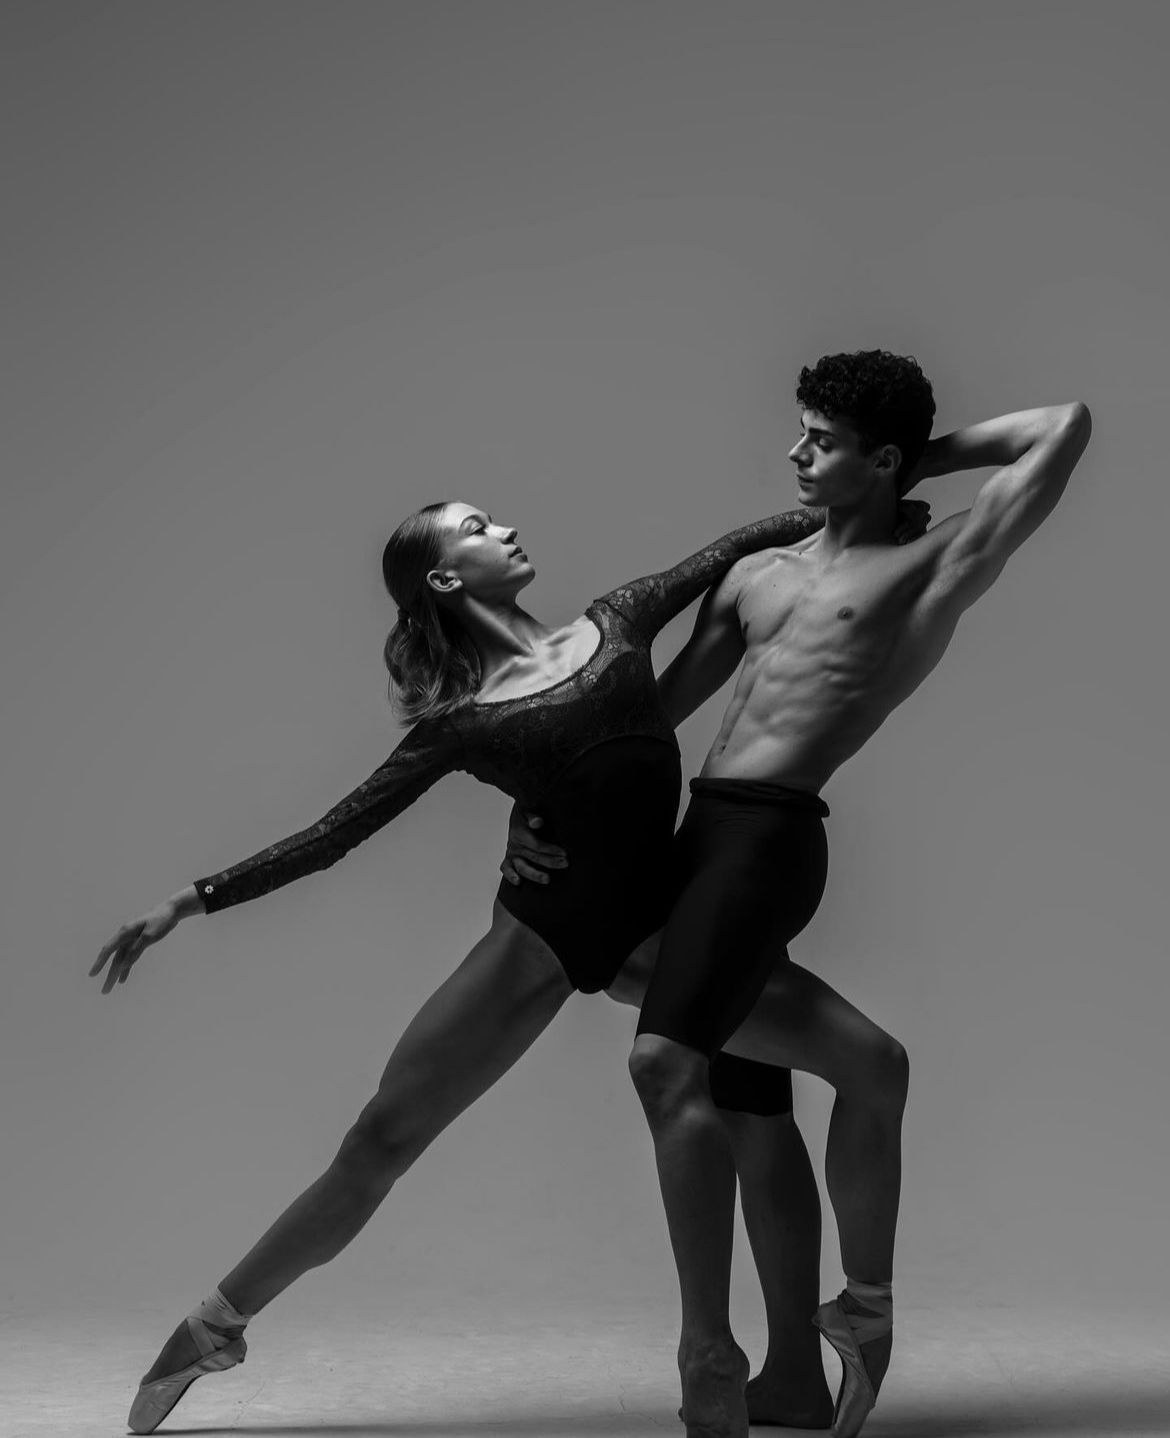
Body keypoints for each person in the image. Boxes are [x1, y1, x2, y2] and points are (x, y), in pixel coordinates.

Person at [91, 489, 929, 1434]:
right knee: (378, 1144)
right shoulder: (463, 723)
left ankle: (828, 1327)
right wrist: (188, 900)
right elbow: (331, 836)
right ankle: (217, 1325)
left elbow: (752, 537)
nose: (507, 529)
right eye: (480, 529)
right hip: (537, 939)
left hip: (660, 943)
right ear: (447, 579)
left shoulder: (616, 624)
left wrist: (889, 502)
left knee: (870, 1060)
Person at [510, 351, 1090, 1438]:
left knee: (665, 1058)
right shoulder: (757, 574)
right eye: (801, 431)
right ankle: (789, 1375)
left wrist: (913, 456)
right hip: (692, 837)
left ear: (880, 458)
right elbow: (650, 720)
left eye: (821, 439)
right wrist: (543, 807)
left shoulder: (929, 567)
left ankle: (848, 1311)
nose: (794, 452)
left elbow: (1062, 425)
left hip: (767, 845)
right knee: (751, 1104)